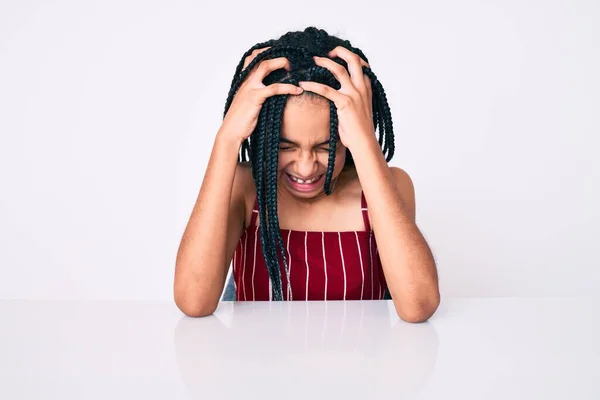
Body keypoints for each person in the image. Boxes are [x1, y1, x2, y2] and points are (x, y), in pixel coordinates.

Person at [174, 27, 440, 322]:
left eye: (326, 147)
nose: (305, 167)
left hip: (361, 367)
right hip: (258, 366)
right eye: (285, 146)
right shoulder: (244, 188)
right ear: (263, 136)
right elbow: (193, 301)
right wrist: (226, 139)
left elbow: (419, 306)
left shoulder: (388, 186)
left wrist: (366, 144)